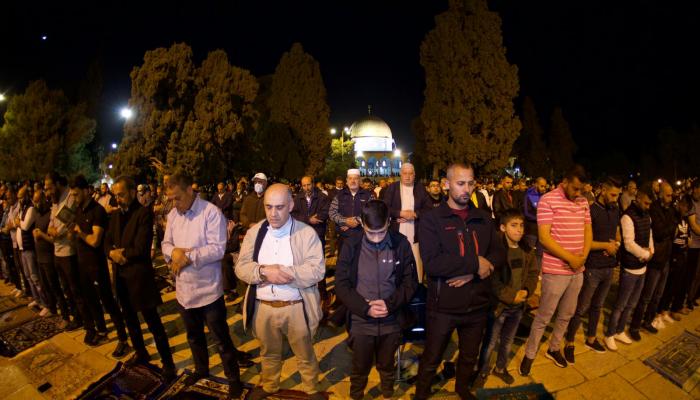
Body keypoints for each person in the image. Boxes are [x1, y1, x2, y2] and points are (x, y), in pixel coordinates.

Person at [414, 163, 503, 400]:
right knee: (432, 357)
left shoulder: (483, 218)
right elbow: (433, 263)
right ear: (447, 184)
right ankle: (421, 393)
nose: (466, 189)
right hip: (443, 306)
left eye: (470, 183)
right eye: (460, 183)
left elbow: (498, 253)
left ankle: (462, 389)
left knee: (469, 355)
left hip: (478, 304)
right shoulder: (432, 219)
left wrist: (472, 272)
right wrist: (474, 265)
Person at [162, 172, 250, 397]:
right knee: (194, 337)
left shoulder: (211, 212)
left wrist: (188, 257)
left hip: (208, 291)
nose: (174, 203)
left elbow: (217, 249)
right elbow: (165, 243)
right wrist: (175, 252)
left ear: (190, 190)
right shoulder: (173, 215)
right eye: (171, 199)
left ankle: (234, 379)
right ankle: (202, 370)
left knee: (221, 339)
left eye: (178, 198)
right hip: (184, 290)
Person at [236, 184, 326, 400]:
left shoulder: (306, 233)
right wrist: (264, 272)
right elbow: (241, 267)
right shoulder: (255, 233)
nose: (273, 214)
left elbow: (317, 269)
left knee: (305, 353)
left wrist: (285, 273)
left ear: (291, 205)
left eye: (279, 207)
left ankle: (312, 388)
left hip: (296, 307)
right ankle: (269, 386)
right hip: (263, 308)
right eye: (268, 207)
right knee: (268, 353)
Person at [334, 200, 418, 399]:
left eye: (381, 232)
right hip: (361, 321)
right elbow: (341, 284)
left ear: (388, 222)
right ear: (362, 224)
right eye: (371, 233)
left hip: (391, 320)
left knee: (387, 364)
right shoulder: (351, 245)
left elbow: (410, 282)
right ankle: (356, 394)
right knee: (360, 366)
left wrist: (390, 304)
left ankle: (387, 393)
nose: (377, 238)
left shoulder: (400, 243)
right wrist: (365, 308)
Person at [520, 165, 591, 374]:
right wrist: (571, 258)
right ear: (565, 182)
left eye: (581, 190)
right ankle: (530, 354)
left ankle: (554, 347)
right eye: (575, 188)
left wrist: (583, 257)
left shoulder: (583, 201)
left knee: (566, 314)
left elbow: (588, 231)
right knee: (544, 315)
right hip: (555, 270)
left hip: (577, 270)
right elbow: (544, 237)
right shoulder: (548, 200)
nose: (578, 194)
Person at [104, 175, 176, 380]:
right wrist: (111, 253)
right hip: (121, 278)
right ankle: (141, 352)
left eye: (121, 195)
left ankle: (168, 364)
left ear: (132, 192)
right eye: (116, 196)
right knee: (130, 321)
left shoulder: (143, 213)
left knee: (153, 324)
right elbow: (106, 241)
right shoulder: (115, 216)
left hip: (139, 279)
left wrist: (121, 254)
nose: (118, 199)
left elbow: (141, 247)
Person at [478, 209, 538, 385]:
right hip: (499, 307)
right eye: (514, 225)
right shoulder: (496, 250)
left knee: (507, 341)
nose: (519, 230)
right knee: (490, 342)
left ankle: (500, 368)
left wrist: (526, 290)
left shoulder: (527, 250)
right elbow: (493, 280)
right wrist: (512, 296)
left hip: (518, 307)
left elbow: (533, 273)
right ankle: (481, 370)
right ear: (503, 228)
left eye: (521, 225)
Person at [564, 177, 621, 356]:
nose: (615, 199)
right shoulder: (591, 210)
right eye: (613, 195)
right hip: (593, 267)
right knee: (582, 307)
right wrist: (606, 246)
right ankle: (569, 341)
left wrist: (616, 243)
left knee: (598, 305)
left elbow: (616, 232)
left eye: (618, 195)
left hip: (609, 266)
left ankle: (591, 338)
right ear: (603, 191)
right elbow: (584, 241)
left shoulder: (615, 209)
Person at [604, 185, 654, 349]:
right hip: (630, 268)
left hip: (642, 267)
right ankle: (610, 333)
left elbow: (650, 235)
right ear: (638, 199)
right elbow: (629, 243)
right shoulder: (628, 216)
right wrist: (645, 254)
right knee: (620, 304)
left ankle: (620, 331)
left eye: (650, 204)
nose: (648, 207)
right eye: (646, 203)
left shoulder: (646, 215)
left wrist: (651, 251)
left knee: (631, 304)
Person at [630, 182, 675, 334]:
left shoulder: (670, 209)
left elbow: (669, 228)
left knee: (658, 295)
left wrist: (670, 226)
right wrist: (672, 226)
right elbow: (659, 232)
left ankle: (648, 321)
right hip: (656, 259)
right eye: (668, 195)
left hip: (666, 257)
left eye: (671, 195)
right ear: (660, 194)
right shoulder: (654, 209)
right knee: (647, 296)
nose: (671, 198)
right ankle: (635, 325)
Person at [45, 172, 84, 332]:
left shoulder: (69, 198)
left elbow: (60, 228)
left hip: (69, 252)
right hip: (57, 252)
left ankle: (83, 319)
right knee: (66, 289)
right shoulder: (55, 201)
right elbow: (50, 226)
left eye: (49, 188)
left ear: (57, 184)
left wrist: (55, 231)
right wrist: (53, 231)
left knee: (75, 289)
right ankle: (76, 316)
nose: (48, 192)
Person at [382, 163, 432, 283]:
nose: (408, 176)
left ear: (414, 175)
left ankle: (417, 287)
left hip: (416, 233)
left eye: (410, 174)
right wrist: (400, 213)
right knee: (397, 264)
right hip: (397, 232)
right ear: (400, 174)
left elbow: (429, 208)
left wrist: (414, 215)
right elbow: (384, 208)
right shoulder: (393, 188)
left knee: (417, 265)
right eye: (405, 173)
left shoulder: (420, 188)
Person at [291, 176, 331, 308]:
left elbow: (325, 213)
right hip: (302, 235)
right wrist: (308, 219)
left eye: (308, 185)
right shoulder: (298, 198)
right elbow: (293, 214)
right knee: (303, 264)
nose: (306, 188)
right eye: (304, 185)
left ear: (313, 184)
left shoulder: (322, 197)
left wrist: (316, 218)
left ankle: (323, 294)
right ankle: (307, 293)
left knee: (319, 264)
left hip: (317, 235)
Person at [523, 177, 547, 250]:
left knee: (540, 253)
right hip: (531, 230)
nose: (543, 188)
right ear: (536, 185)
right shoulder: (528, 195)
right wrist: (540, 219)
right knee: (529, 252)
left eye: (545, 186)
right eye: (542, 186)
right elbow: (527, 213)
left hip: (542, 230)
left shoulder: (544, 196)